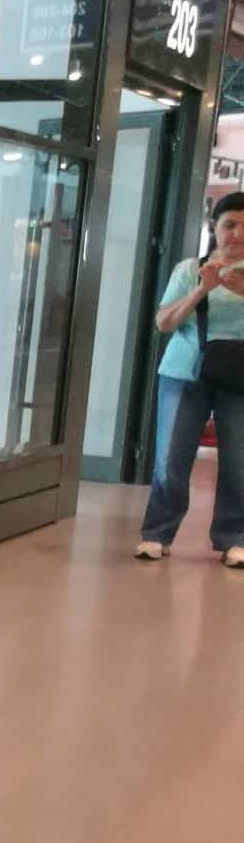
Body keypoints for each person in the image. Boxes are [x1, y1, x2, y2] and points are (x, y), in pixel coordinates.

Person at [135, 190, 244, 567]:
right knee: (171, 458)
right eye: (230, 225)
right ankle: (156, 534)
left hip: (240, 379)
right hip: (185, 372)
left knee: (239, 461)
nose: (237, 234)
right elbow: (164, 323)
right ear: (215, 227)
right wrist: (202, 289)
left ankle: (235, 539)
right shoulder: (189, 269)